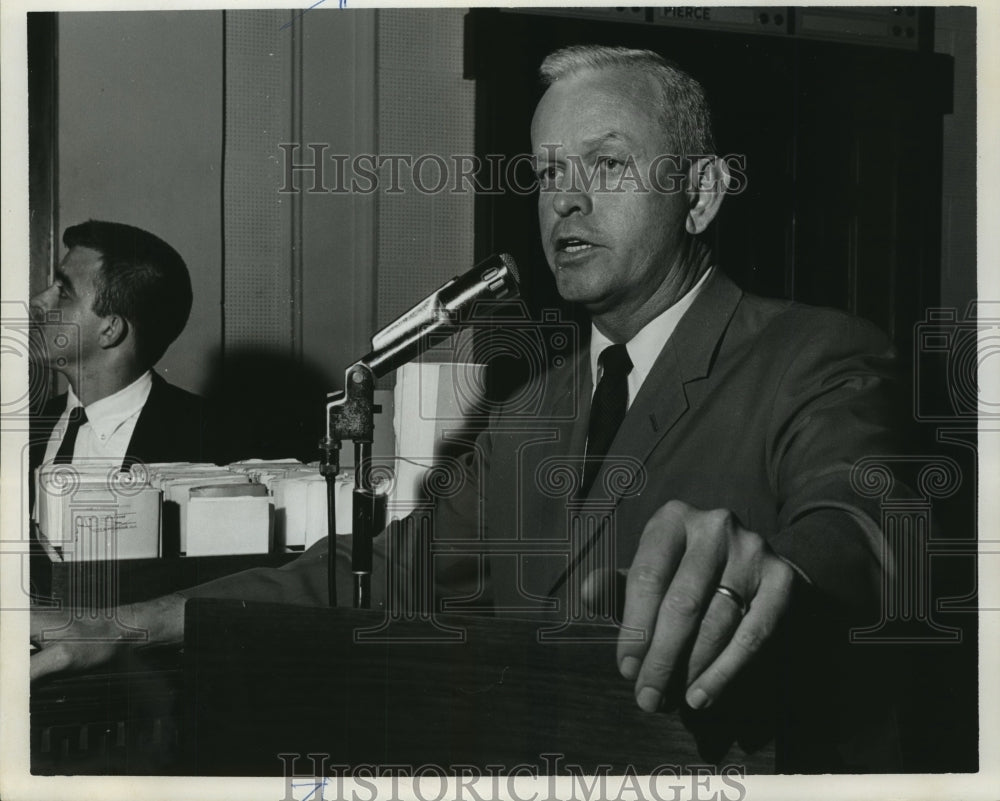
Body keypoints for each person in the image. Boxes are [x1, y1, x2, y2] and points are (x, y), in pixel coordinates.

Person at [30, 49, 903, 765]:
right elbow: (373, 571)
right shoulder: (528, 412)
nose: (565, 197)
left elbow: (858, 530)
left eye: (606, 163)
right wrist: (121, 625)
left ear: (703, 192)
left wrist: (783, 573)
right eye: (548, 171)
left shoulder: (815, 353)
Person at [29, 219, 218, 478]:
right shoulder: (24, 430)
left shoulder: (210, 442)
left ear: (110, 330)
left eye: (63, 293)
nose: (37, 302)